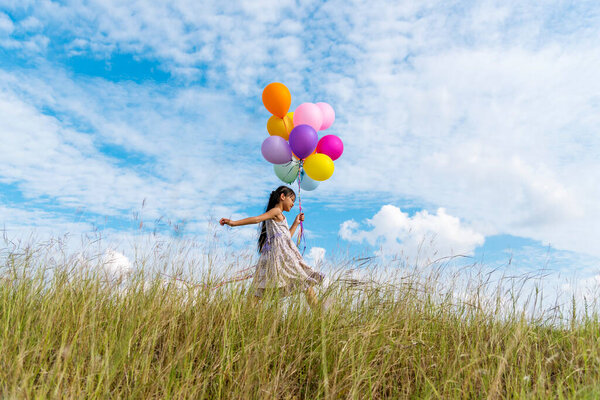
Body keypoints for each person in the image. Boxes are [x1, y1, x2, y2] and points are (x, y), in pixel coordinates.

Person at [219, 185, 325, 309]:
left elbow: (286, 238)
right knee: (304, 282)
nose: (293, 204)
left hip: (274, 257)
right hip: (281, 258)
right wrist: (233, 223)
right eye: (292, 200)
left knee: (258, 291)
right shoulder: (276, 211)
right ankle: (319, 313)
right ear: (282, 197)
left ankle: (244, 316)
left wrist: (296, 223)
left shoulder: (281, 217)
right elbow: (257, 219)